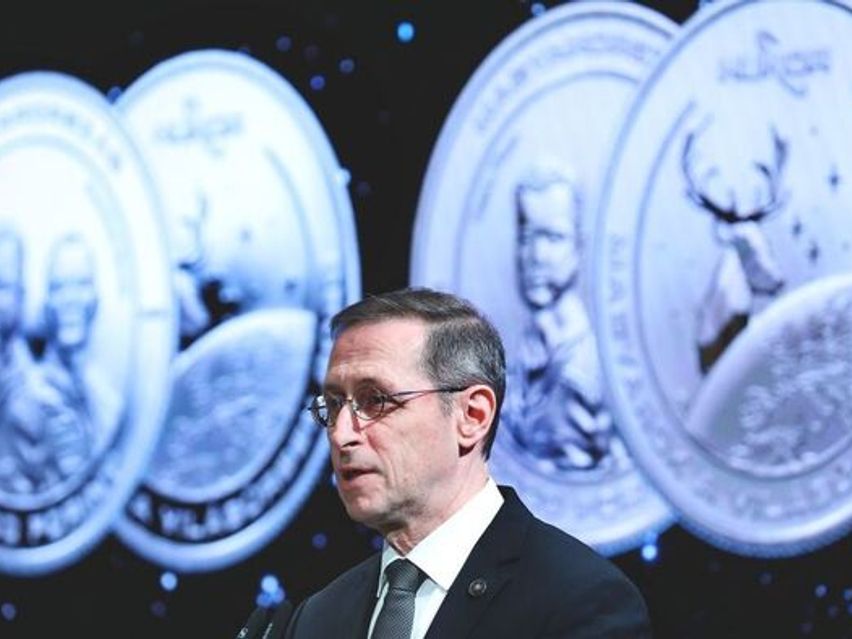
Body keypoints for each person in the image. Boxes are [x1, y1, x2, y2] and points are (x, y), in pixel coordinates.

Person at [280, 288, 651, 638]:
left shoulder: (579, 599)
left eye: (376, 400)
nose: (341, 434)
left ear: (473, 415)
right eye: (333, 405)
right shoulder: (318, 617)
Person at [506, 163, 622, 471]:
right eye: (527, 237)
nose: (536, 256)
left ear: (581, 245)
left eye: (553, 237)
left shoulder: (599, 367)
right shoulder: (517, 361)